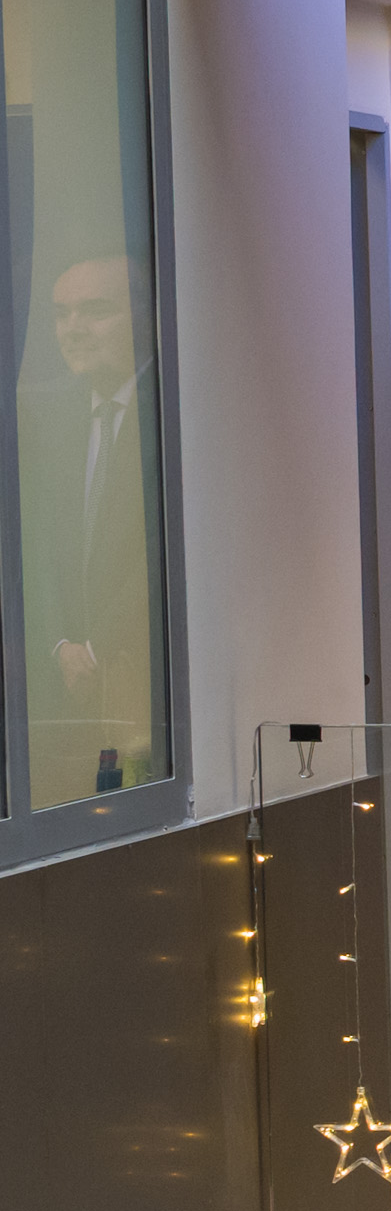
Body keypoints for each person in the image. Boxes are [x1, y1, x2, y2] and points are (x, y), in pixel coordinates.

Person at [20, 249, 158, 799]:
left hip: (145, 685)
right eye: (62, 313)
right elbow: (35, 547)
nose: (73, 329)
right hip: (60, 693)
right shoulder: (45, 417)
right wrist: (61, 645)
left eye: (96, 310)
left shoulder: (174, 408)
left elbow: (167, 552)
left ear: (144, 316)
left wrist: (99, 648)